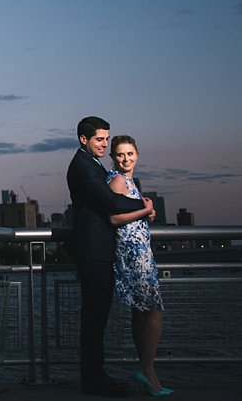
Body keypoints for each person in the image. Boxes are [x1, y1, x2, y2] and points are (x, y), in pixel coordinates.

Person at [67, 116, 148, 397]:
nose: (104, 144)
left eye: (105, 138)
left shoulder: (91, 164)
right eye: (99, 139)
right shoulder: (82, 167)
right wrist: (144, 204)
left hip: (99, 250)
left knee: (97, 317)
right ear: (83, 139)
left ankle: (96, 377)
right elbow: (111, 202)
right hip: (93, 250)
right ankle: (93, 381)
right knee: (94, 317)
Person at [107, 136, 171, 397]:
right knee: (154, 312)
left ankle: (148, 372)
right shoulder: (119, 180)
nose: (126, 159)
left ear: (138, 154)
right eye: (120, 154)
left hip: (141, 253)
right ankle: (147, 370)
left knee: (142, 313)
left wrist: (145, 211)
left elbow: (129, 212)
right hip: (133, 256)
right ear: (113, 157)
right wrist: (145, 212)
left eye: (130, 153)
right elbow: (113, 217)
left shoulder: (130, 182)